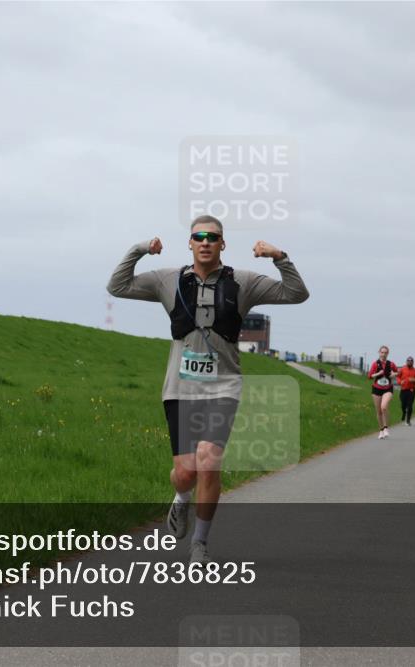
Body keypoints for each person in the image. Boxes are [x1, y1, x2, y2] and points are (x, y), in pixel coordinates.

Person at [107, 215, 309, 563]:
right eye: (198, 236)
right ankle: (181, 498)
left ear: (222, 244)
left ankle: (200, 542)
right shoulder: (168, 280)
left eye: (212, 237)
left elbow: (296, 293)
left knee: (209, 461)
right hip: (180, 389)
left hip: (223, 387)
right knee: (185, 472)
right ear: (189, 243)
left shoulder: (242, 282)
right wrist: (141, 249)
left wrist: (279, 256)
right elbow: (117, 286)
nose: (205, 242)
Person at [367, 345, 398, 439]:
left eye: (385, 352)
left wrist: (393, 374)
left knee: (384, 407)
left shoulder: (391, 364)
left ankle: (386, 428)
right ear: (379, 353)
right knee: (379, 411)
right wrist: (378, 373)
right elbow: (369, 376)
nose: (383, 354)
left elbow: (397, 372)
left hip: (388, 388)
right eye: (382, 352)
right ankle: (381, 430)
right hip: (377, 389)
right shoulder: (375, 364)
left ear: (388, 353)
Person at [396, 357, 415, 426]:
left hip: (411, 390)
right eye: (408, 361)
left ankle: (408, 420)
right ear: (406, 361)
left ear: (413, 362)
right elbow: (398, 377)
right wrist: (400, 382)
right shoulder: (402, 369)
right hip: (403, 390)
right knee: (403, 405)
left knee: (410, 405)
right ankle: (404, 413)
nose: (409, 362)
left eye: (411, 361)